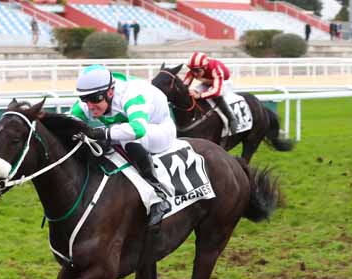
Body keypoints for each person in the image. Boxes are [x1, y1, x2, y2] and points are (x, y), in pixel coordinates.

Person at [70, 65, 174, 226]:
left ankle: (158, 196)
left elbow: (138, 129)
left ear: (110, 92)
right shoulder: (88, 102)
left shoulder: (132, 95)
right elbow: (69, 125)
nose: (90, 106)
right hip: (127, 127)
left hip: (159, 129)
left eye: (95, 99)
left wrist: (101, 133)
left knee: (126, 138)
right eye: (85, 99)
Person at [183, 52, 238, 135]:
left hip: (224, 81)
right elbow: (184, 86)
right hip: (208, 81)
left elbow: (216, 91)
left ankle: (231, 118)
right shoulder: (195, 69)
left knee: (216, 96)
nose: (194, 74)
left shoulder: (215, 68)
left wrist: (200, 95)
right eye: (192, 70)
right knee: (193, 91)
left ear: (205, 67)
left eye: (197, 71)